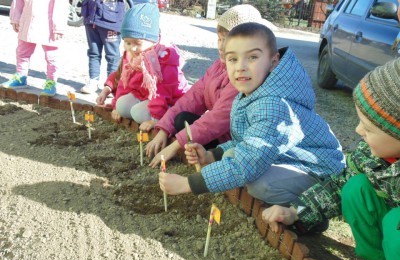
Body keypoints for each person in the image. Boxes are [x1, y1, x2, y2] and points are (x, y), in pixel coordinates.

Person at [159, 23, 345, 213]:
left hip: (320, 172)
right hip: (289, 158)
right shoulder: (253, 92)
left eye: (253, 57)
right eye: (233, 59)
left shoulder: (273, 106)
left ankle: (305, 211)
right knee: (234, 157)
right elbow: (245, 143)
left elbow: (249, 162)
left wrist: (187, 184)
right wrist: (210, 155)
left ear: (273, 62)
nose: (241, 67)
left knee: (259, 184)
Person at [261, 58, 400, 260]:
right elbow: (337, 186)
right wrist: (296, 212)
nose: (358, 131)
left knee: (395, 223)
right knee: (354, 188)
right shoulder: (371, 154)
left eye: (369, 129)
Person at [146, 4, 267, 167]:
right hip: (222, 135)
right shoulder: (218, 67)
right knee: (182, 119)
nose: (221, 46)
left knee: (190, 129)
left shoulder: (243, 76)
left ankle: (211, 160)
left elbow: (217, 119)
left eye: (228, 40)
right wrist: (163, 130)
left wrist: (175, 145)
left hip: (236, 142)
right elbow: (191, 99)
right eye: (220, 39)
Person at [96, 3, 189, 132]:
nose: (132, 48)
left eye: (137, 43)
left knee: (138, 114)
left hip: (170, 100)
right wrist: (115, 105)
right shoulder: (131, 55)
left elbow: (161, 92)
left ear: (153, 39)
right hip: (143, 94)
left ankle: (165, 114)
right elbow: (124, 81)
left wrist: (155, 119)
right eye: (127, 43)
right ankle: (142, 108)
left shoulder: (162, 59)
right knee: (121, 105)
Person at [1, 0, 69, 96]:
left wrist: (58, 27)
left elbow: (61, 5)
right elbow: (18, 1)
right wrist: (15, 18)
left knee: (51, 56)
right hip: (28, 20)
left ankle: (51, 82)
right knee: (22, 52)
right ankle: (20, 77)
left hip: (49, 24)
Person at [79, 0, 131, 94]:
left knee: (112, 56)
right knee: (93, 52)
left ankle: (112, 86)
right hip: (90, 17)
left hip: (111, 20)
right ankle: (93, 81)